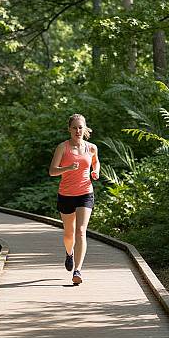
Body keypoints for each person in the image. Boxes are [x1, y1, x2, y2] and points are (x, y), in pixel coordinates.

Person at [49, 114, 100, 285]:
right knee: (69, 233)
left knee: (81, 231)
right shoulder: (62, 148)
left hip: (85, 192)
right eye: (74, 127)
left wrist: (95, 171)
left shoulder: (92, 148)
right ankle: (69, 253)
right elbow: (52, 171)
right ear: (69, 129)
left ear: (85, 128)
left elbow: (96, 162)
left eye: (81, 127)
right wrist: (69, 167)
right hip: (66, 195)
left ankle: (78, 270)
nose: (78, 131)